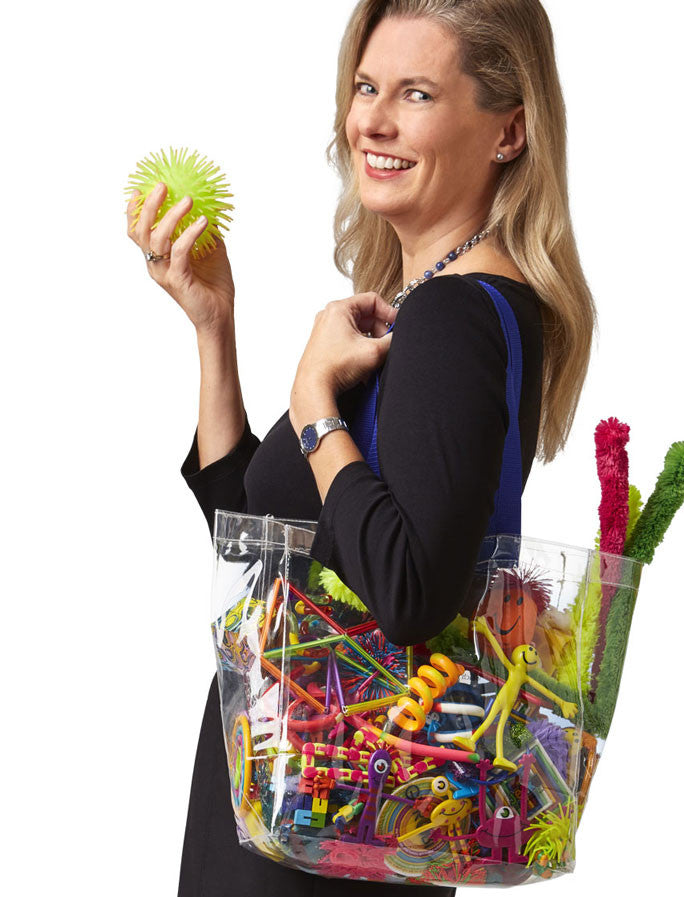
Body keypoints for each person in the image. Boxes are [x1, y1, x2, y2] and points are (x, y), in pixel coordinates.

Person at [125, 1, 597, 893]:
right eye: (366, 86)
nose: (371, 119)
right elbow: (259, 553)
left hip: (324, 846)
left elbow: (413, 595)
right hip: (312, 821)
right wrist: (214, 324)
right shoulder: (433, 307)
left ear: (510, 129)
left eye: (416, 93)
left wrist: (315, 407)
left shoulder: (454, 317)